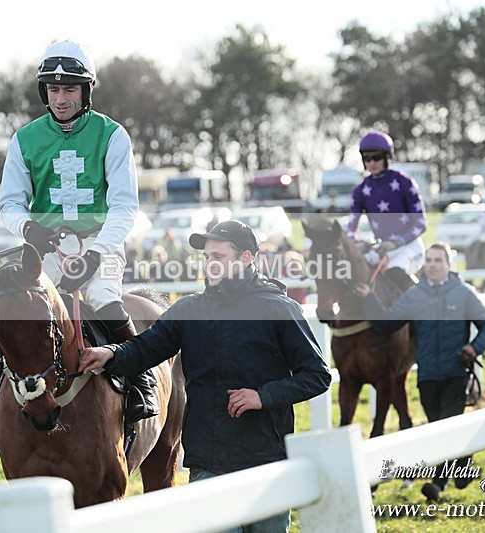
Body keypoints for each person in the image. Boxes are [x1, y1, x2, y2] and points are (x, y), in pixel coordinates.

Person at [78, 221, 332, 532]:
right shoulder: (189, 310)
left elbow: (317, 375)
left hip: (265, 459)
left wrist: (262, 396)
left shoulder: (277, 308)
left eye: (219, 257)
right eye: (207, 257)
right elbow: (144, 349)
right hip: (206, 464)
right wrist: (112, 354)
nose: (210, 264)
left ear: (246, 259)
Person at [0, 39, 157, 423]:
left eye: (70, 89)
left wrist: (96, 254)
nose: (61, 98)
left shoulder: (113, 135)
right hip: (45, 247)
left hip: (100, 243)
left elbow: (125, 207)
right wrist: (29, 228)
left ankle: (141, 381)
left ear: (86, 91)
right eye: (54, 89)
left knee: (103, 295)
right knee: (18, 307)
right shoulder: (23, 140)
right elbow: (9, 203)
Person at [353, 242, 485, 502]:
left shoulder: (463, 293)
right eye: (428, 260)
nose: (432, 265)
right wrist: (369, 298)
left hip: (456, 372)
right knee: (439, 428)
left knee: (445, 428)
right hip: (427, 376)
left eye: (438, 260)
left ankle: (437, 485)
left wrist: (474, 349)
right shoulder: (414, 295)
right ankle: (463, 465)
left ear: (448, 265)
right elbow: (387, 325)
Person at [346, 130, 428, 292]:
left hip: (409, 247)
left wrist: (398, 242)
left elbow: (421, 223)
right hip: (381, 249)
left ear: (386, 157)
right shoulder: (360, 190)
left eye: (376, 158)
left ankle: (422, 307)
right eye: (367, 159)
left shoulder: (404, 182)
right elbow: (351, 228)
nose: (372, 163)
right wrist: (356, 243)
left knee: (394, 272)